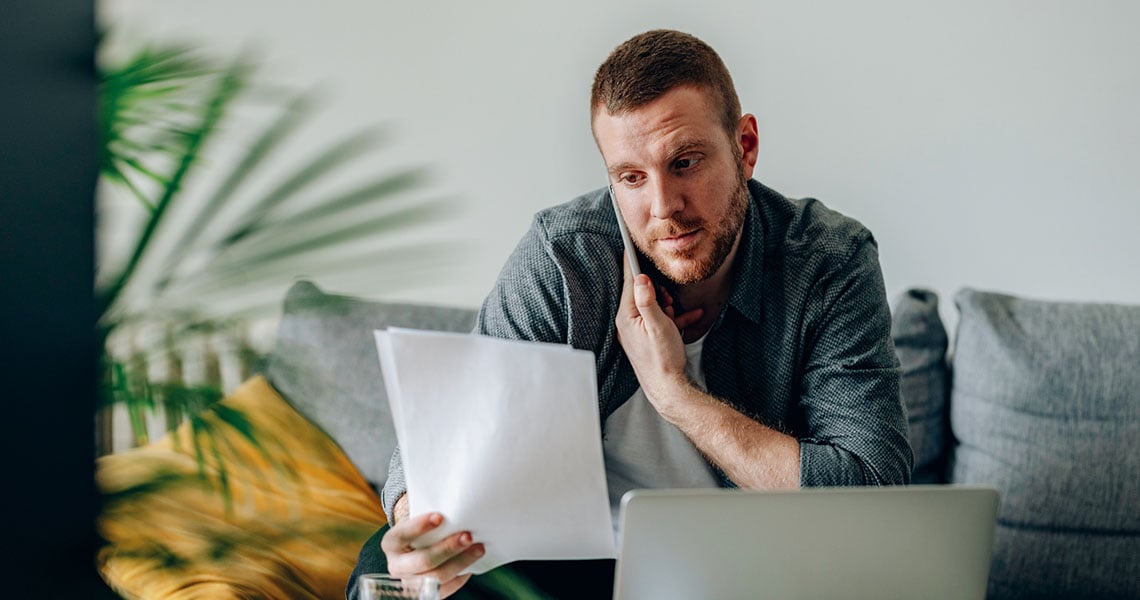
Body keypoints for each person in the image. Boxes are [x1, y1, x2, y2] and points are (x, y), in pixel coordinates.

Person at [348, 28, 911, 599]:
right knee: (383, 562)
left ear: (745, 147)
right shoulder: (566, 259)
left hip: (754, 570)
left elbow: (869, 494)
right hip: (580, 572)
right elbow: (448, 441)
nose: (664, 207)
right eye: (632, 178)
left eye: (685, 162)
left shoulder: (826, 262)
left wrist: (674, 394)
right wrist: (417, 529)